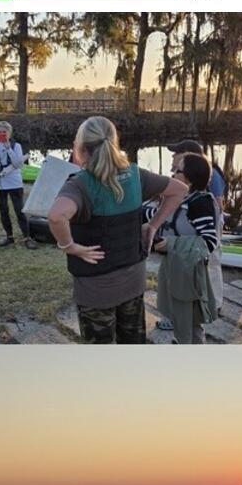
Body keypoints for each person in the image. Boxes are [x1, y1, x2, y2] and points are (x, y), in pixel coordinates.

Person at [45, 116, 190, 343]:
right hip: (133, 283)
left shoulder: (80, 184)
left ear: (81, 147)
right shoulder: (135, 175)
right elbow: (179, 190)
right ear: (114, 142)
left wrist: (69, 246)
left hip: (95, 292)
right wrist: (153, 225)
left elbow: (56, 216)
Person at [153, 152, 222, 344]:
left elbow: (208, 242)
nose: (173, 173)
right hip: (173, 266)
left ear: (190, 178)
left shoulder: (200, 203)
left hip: (189, 272)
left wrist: (171, 244)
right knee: (178, 316)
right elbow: (155, 215)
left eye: (178, 170)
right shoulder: (179, 197)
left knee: (188, 321)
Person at [0, 120, 32, 247]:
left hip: (14, 181)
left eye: (5, 132)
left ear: (9, 133)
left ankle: (27, 237)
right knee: (3, 210)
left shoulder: (16, 146)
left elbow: (18, 164)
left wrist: (8, 148)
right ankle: (9, 236)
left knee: (19, 210)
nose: (2, 134)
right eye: (0, 132)